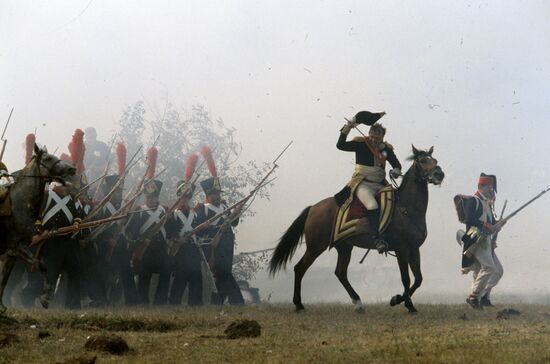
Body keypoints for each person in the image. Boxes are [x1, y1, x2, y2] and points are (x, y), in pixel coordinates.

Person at [337, 111, 402, 253]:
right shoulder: (360, 144)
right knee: (372, 205)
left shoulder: (386, 149)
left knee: (396, 202)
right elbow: (340, 145)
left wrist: (396, 170)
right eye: (372, 136)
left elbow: (396, 163)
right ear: (369, 134)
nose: (374, 140)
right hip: (363, 184)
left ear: (382, 137)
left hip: (380, 184)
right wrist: (347, 128)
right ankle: (377, 238)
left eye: (378, 137)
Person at [195, 176, 244, 306]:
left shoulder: (224, 206)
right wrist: (212, 228)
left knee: (223, 274)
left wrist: (237, 212)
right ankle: (237, 302)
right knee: (223, 272)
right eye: (214, 194)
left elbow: (234, 223)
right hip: (213, 246)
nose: (217, 196)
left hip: (227, 244)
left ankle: (216, 302)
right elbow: (198, 230)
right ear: (208, 195)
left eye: (217, 193)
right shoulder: (203, 209)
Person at [462, 173, 505, 309]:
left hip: (485, 240)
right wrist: (489, 226)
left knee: (497, 270)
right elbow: (470, 220)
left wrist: (499, 224)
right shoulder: (473, 201)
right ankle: (474, 297)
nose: (491, 190)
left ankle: (481, 296)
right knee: (489, 268)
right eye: (488, 188)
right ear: (480, 186)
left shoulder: (487, 203)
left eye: (491, 188)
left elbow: (492, 223)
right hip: (476, 239)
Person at [166, 181, 204, 306]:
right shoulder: (174, 214)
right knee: (180, 278)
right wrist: (178, 239)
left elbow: (200, 232)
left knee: (196, 277)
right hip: (180, 250)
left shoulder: (195, 213)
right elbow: (169, 232)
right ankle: (174, 303)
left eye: (186, 198)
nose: (184, 200)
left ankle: (195, 304)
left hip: (193, 249)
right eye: (182, 197)